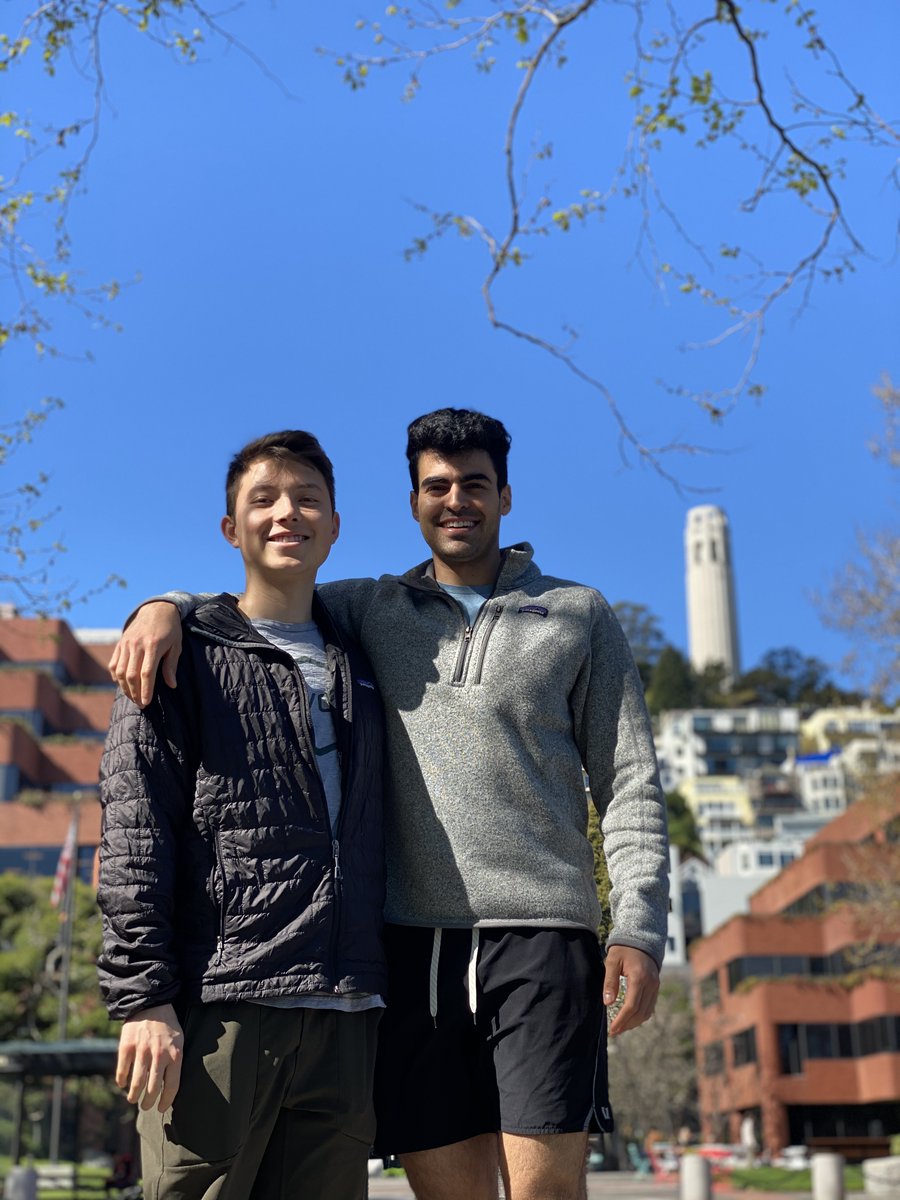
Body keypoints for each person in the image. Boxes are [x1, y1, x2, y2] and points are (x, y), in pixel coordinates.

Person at [111, 408, 669, 1200]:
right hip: (408, 950)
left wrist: (639, 928)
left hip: (543, 938)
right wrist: (162, 605)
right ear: (412, 503)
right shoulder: (370, 609)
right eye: (436, 487)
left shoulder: (577, 612)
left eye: (475, 484)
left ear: (505, 496)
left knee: (546, 1191)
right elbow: (258, 594)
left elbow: (630, 781)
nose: (456, 501)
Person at [98, 431, 386, 1200]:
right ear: (232, 529)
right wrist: (144, 997)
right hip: (223, 1008)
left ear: (334, 525)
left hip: (348, 1011)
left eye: (307, 499)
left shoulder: (367, 659)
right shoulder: (180, 652)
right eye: (264, 499)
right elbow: (134, 834)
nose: (287, 512)